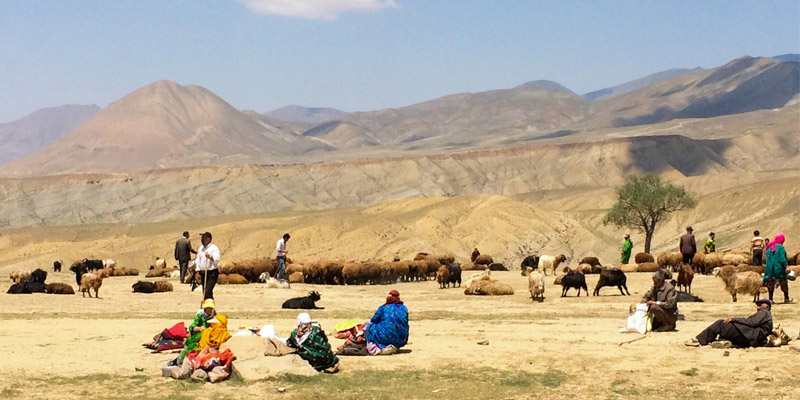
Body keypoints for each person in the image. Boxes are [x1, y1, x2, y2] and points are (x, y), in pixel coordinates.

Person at [685, 299, 773, 348]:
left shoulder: (765, 313)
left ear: (766, 307)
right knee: (726, 329)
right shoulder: (765, 315)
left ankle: (699, 340)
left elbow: (752, 322)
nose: (757, 308)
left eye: (760, 305)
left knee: (720, 324)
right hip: (749, 338)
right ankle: (723, 341)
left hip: (747, 336)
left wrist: (734, 319)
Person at [365, 289, 409, 355]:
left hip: (386, 336)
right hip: (402, 338)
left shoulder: (383, 308)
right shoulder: (404, 308)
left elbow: (374, 320)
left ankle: (379, 349)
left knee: (369, 327)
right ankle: (395, 346)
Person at [175, 298, 217, 364]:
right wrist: (200, 328)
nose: (210, 310)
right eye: (208, 308)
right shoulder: (200, 315)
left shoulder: (213, 314)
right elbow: (192, 327)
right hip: (197, 335)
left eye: (211, 308)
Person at [763, 233, 790, 303]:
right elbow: (782, 258)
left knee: (770, 283)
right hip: (779, 269)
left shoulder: (769, 247)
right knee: (783, 282)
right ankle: (786, 298)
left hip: (769, 269)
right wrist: (786, 266)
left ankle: (770, 299)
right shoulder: (780, 247)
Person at [196, 232, 220, 299]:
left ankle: (209, 307)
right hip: (203, 273)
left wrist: (210, 257)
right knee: (205, 292)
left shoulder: (214, 248)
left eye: (203, 238)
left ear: (208, 239)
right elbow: (198, 260)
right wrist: (197, 272)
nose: (201, 240)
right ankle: (209, 308)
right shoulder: (201, 248)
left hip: (211, 273)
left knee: (208, 291)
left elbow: (217, 260)